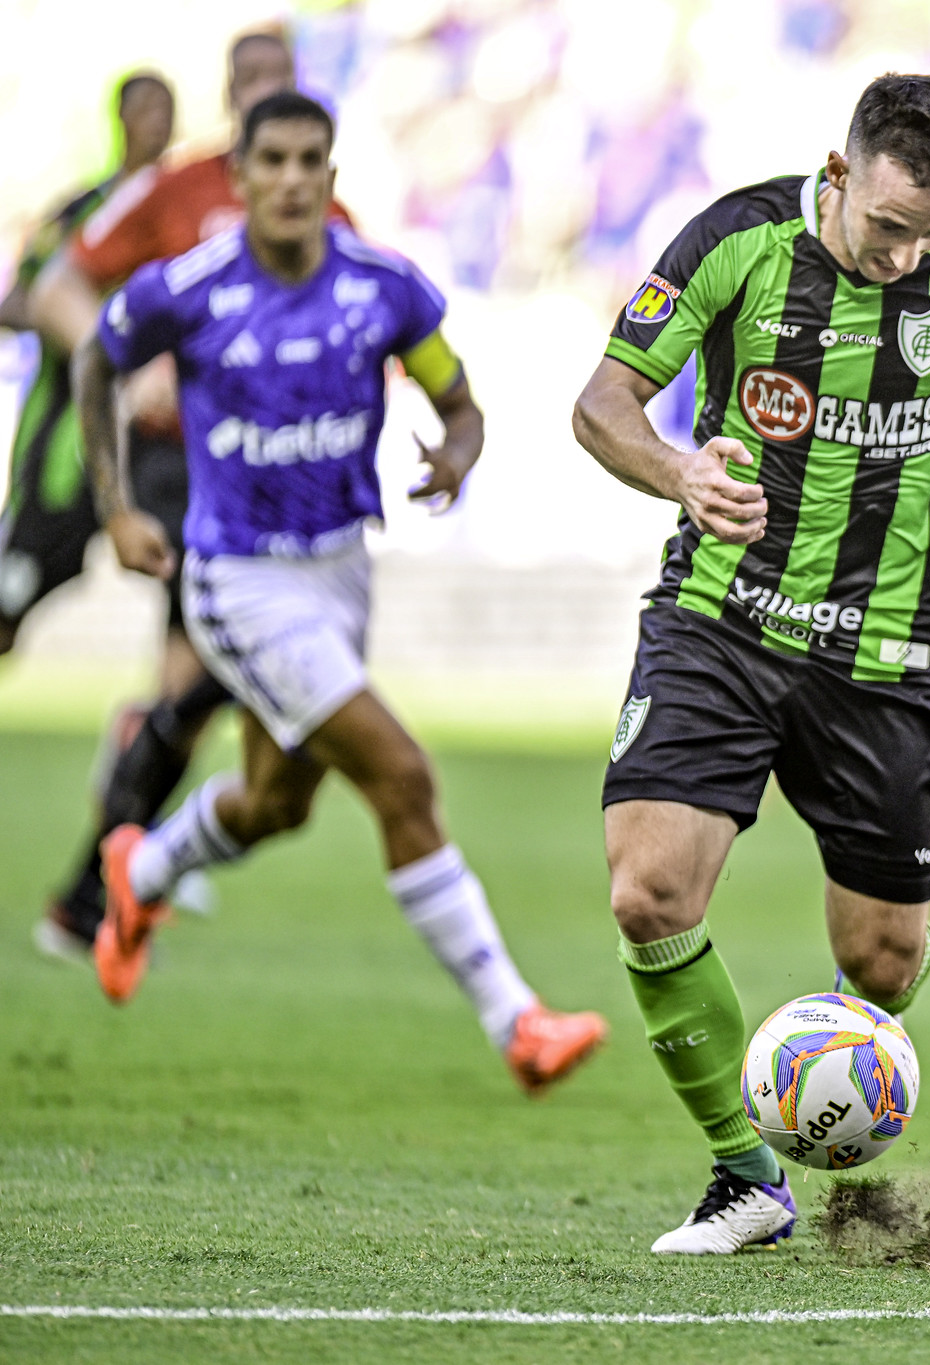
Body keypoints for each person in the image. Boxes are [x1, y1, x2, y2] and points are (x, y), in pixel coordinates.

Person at [571, 73, 930, 1255]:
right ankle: (741, 1173)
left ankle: (864, 1019)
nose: (908, 258)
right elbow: (602, 406)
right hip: (722, 618)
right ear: (837, 174)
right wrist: (680, 475)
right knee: (647, 890)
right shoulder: (737, 244)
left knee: (883, 957)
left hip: (891, 660)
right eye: (887, 227)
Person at [77, 91, 607, 1094]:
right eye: (269, 160)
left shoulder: (385, 290)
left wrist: (455, 453)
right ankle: (517, 1022)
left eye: (308, 160)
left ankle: (138, 871)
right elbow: (91, 360)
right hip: (238, 579)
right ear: (238, 177)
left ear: (331, 176)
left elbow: (458, 400)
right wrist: (113, 504)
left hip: (339, 573)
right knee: (400, 776)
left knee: (278, 804)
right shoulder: (185, 289)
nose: (288, 179)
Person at [28, 31, 336, 962]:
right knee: (209, 675)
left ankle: (108, 880)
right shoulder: (175, 189)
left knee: (203, 683)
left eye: (281, 83)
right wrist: (133, 366)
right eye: (250, 87)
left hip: (269, 485)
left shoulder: (332, 211)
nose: (267, 100)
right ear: (231, 101)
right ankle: (110, 881)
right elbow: (57, 289)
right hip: (174, 468)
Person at [2, 72, 174, 663]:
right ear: (120, 119)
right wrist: (89, 325)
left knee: (190, 604)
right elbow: (17, 301)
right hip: (64, 442)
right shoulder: (81, 211)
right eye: (147, 107)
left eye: (167, 108)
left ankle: (156, 733)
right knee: (11, 593)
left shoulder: (183, 210)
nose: (159, 120)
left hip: (163, 440)